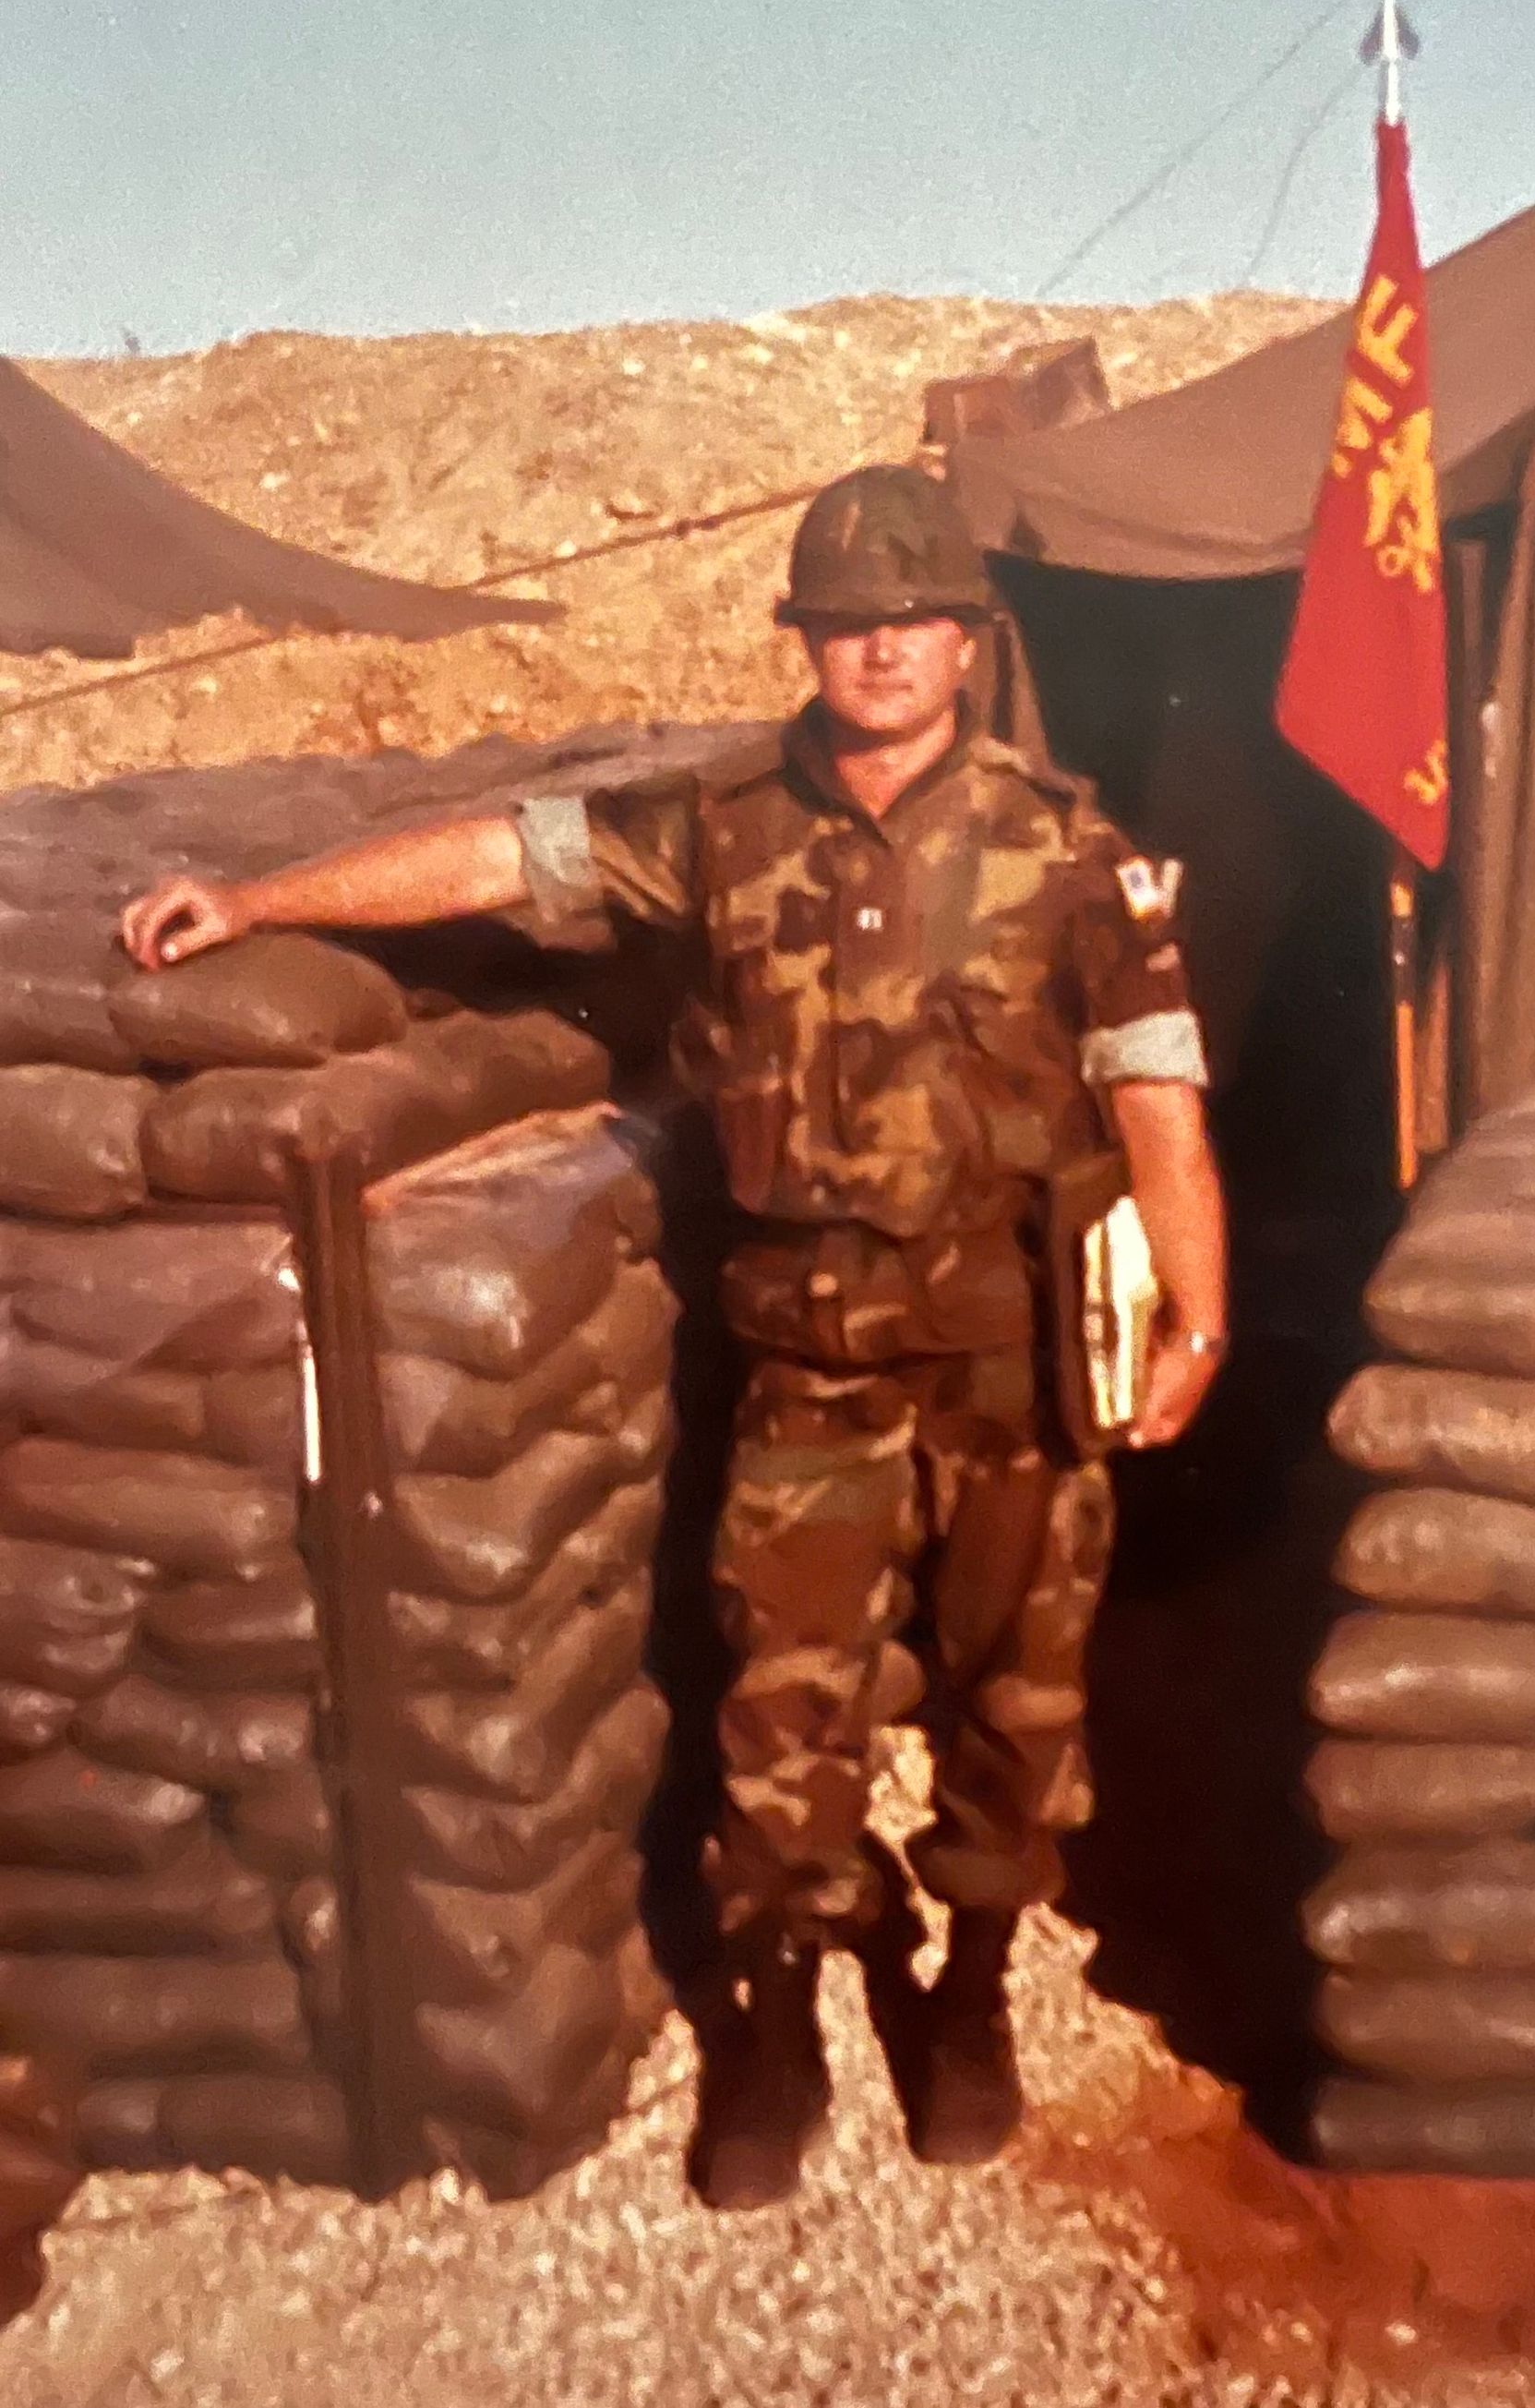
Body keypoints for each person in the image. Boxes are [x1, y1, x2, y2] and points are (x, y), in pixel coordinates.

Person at [121, 464, 1229, 2210]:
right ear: (807, 641)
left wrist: (1197, 1298)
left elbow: (1152, 1078)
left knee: (1022, 1696)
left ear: (964, 640)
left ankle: (967, 1992)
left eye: (911, 620)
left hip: (1015, 1356)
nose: (880, 651)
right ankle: (774, 2017)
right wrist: (265, 905)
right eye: (846, 624)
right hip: (811, 1360)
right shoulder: (720, 822)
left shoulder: (1064, 849)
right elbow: (501, 848)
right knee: (781, 1704)